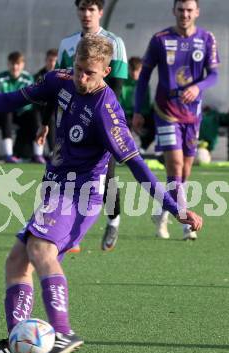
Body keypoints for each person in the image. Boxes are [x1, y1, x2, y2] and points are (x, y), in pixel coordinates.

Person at [0, 34, 203, 353]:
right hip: (54, 189)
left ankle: (64, 332)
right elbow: (11, 100)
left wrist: (175, 208)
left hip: (82, 194)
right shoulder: (59, 81)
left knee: (40, 249)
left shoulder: (109, 112)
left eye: (90, 73)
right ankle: (19, 339)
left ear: (106, 71)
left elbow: (138, 166)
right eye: (78, 69)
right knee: (17, 261)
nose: (82, 78)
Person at [38, 0, 128, 252]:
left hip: (100, 122)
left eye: (91, 9)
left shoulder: (115, 43)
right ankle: (64, 228)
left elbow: (117, 88)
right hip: (68, 122)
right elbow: (54, 86)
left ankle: (113, 220)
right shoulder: (68, 44)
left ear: (100, 12)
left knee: (106, 178)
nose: (86, 14)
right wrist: (45, 122)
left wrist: (108, 122)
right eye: (82, 9)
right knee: (59, 172)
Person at [132, 0, 219, 240]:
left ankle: (162, 211)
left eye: (189, 10)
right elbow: (144, 78)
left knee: (186, 170)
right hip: (166, 111)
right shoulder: (160, 39)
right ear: (174, 12)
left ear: (197, 12)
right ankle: (184, 221)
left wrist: (198, 87)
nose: (185, 14)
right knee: (176, 165)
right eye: (181, 10)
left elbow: (213, 75)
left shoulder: (207, 39)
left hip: (193, 113)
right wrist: (139, 110)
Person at [0, 51, 44, 163]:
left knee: (35, 116)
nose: (15, 67)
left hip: (22, 112)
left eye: (18, 64)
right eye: (12, 63)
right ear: (8, 64)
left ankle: (38, 155)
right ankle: (8, 155)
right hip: (4, 113)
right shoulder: (0, 78)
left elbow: (29, 100)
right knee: (6, 113)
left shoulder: (28, 78)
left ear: (22, 65)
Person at [120, 57, 155, 154]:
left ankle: (143, 148)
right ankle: (122, 152)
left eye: (137, 71)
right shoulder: (122, 82)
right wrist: (129, 119)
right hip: (126, 113)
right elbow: (119, 102)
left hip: (141, 114)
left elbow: (146, 103)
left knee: (154, 123)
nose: (135, 73)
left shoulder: (144, 83)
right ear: (129, 69)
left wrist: (140, 116)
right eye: (132, 70)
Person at [34, 49, 58, 156]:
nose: (52, 63)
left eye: (54, 61)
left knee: (52, 119)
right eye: (50, 60)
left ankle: (53, 151)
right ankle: (38, 154)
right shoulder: (38, 76)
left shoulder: (61, 75)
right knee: (38, 121)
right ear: (46, 60)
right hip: (39, 107)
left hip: (56, 108)